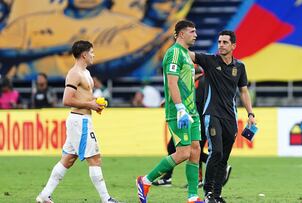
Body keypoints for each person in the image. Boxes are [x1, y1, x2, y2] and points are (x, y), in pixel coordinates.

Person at [36, 40, 119, 203]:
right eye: (92, 52)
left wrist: (96, 103)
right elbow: (66, 100)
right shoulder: (74, 73)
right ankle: (106, 199)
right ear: (84, 55)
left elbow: (85, 97)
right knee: (95, 158)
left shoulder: (86, 73)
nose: (94, 55)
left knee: (68, 159)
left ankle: (45, 195)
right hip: (80, 121)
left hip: (82, 119)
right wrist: (90, 105)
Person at [136, 20, 204, 203]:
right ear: (181, 34)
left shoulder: (186, 54)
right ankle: (145, 180)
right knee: (182, 153)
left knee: (196, 150)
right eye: (192, 31)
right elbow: (172, 82)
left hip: (192, 111)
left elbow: (185, 80)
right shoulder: (174, 53)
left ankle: (192, 197)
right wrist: (181, 108)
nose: (195, 35)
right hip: (179, 112)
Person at [189, 30, 256, 203]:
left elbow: (243, 91)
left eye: (225, 42)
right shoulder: (210, 61)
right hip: (212, 114)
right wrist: (179, 41)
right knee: (216, 152)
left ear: (233, 45)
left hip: (230, 118)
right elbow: (188, 54)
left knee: (224, 158)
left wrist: (250, 113)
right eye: (219, 42)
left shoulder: (239, 67)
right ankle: (208, 192)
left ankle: (217, 195)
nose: (221, 45)